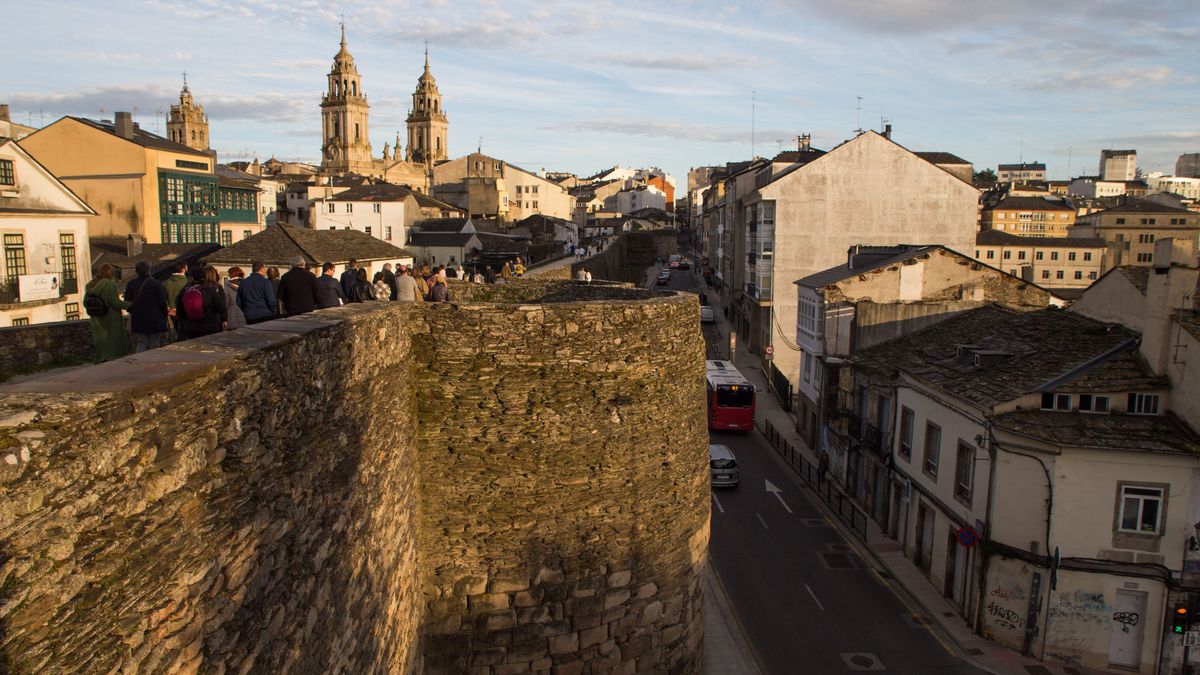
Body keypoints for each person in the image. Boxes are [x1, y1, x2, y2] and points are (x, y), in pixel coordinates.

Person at [84, 263, 132, 362]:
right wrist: (130, 305)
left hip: (96, 318)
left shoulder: (90, 285)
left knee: (100, 340)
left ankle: (101, 357)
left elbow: (85, 302)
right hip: (110, 317)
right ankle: (113, 358)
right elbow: (114, 302)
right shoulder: (110, 284)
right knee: (112, 339)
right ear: (110, 273)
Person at [125, 260, 169, 353]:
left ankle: (141, 362)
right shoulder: (156, 284)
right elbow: (162, 302)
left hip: (138, 317)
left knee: (141, 342)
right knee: (154, 342)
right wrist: (165, 314)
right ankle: (153, 363)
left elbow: (127, 302)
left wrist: (133, 311)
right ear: (149, 270)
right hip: (155, 317)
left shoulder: (131, 284)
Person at [177, 266, 227, 339]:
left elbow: (180, 312)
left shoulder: (185, 290)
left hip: (191, 327)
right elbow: (221, 308)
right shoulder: (209, 290)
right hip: (209, 326)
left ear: (191, 278)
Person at [164, 261, 189, 341]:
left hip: (170, 311)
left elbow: (163, 297)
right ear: (183, 269)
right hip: (184, 311)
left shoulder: (166, 282)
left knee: (173, 333)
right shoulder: (187, 281)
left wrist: (169, 308)